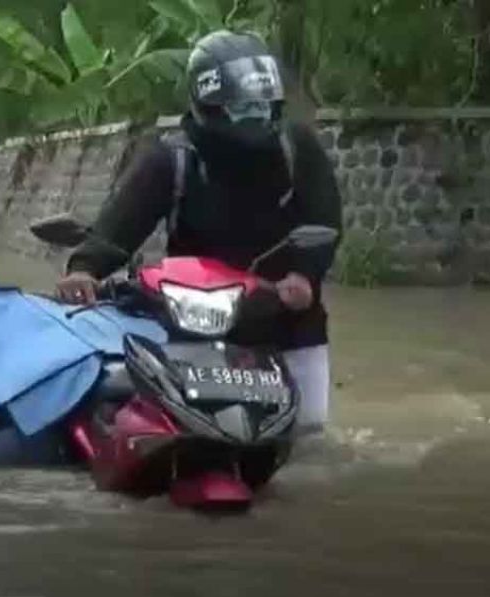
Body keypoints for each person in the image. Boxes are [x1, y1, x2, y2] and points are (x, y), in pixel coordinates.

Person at [55, 30, 342, 436]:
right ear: (210, 107)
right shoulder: (172, 160)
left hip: (287, 319)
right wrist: (85, 268)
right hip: (196, 323)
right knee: (175, 431)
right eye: (242, 109)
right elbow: (120, 225)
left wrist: (304, 275)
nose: (255, 118)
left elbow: (326, 219)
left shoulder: (298, 151)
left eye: (263, 107)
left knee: (309, 439)